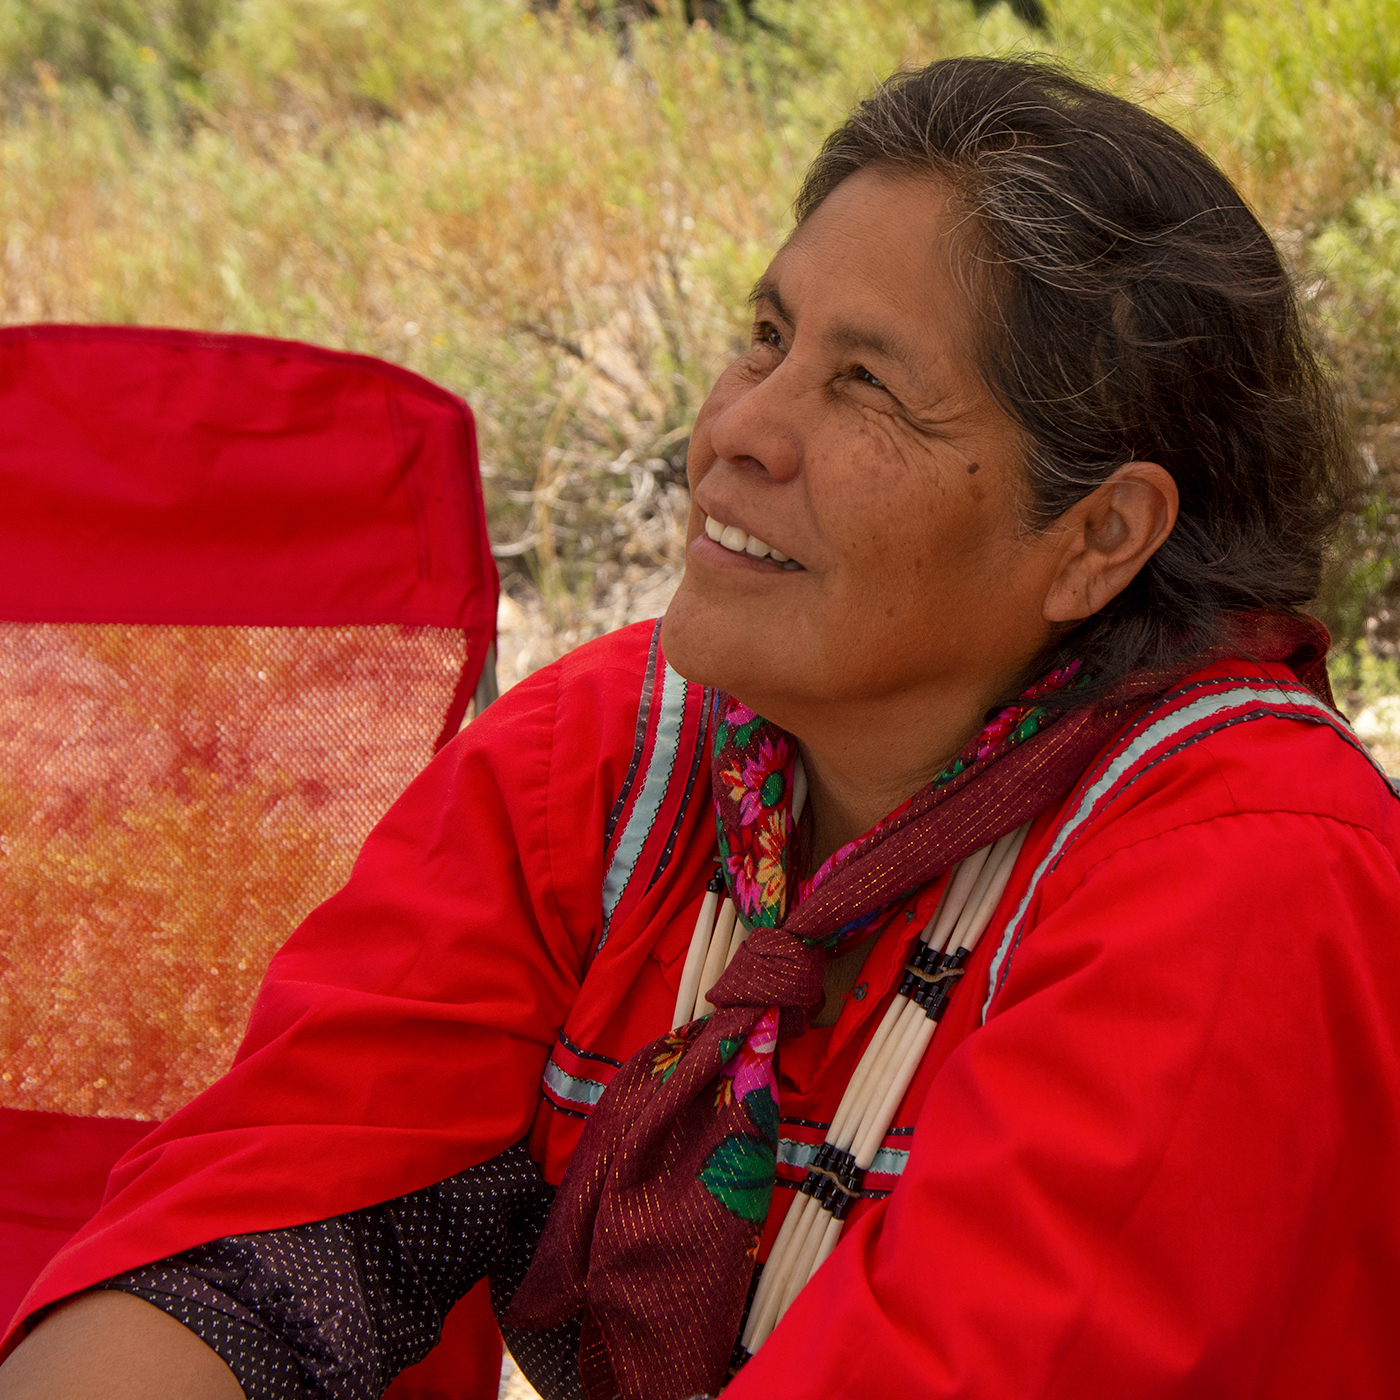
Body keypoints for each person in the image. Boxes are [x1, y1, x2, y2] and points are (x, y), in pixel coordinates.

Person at [3, 53, 1399, 1400]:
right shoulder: (609, 761)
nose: (736, 429)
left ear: (1098, 535)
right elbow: (273, 1233)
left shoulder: (1250, 879)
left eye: (867, 387)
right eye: (769, 338)